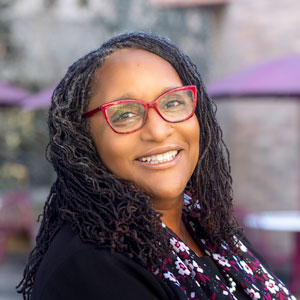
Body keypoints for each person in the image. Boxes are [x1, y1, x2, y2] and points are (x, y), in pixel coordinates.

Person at [18, 32, 295, 300]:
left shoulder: (207, 228)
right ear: (83, 138)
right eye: (125, 114)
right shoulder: (92, 266)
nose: (159, 131)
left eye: (173, 102)